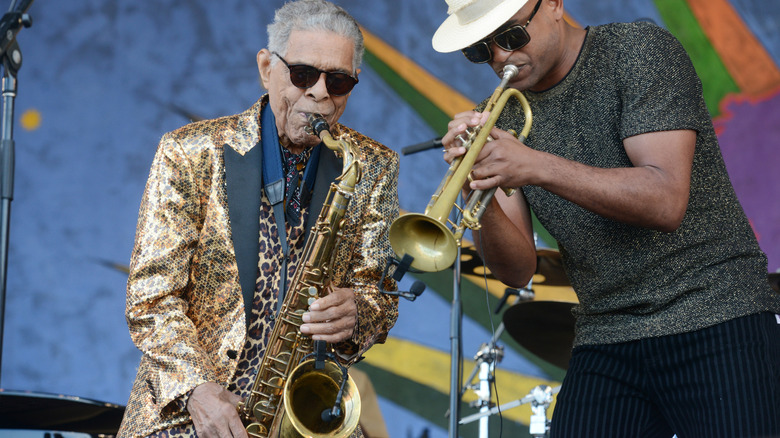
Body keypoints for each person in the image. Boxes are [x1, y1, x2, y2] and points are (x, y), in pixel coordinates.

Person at [434, 0, 780, 436]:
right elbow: (517, 271)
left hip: (716, 309)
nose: (501, 56)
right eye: (480, 50)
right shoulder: (499, 114)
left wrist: (535, 165)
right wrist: (472, 183)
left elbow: (664, 200)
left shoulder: (637, 51)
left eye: (511, 35)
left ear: (555, 4)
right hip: (605, 330)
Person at [117, 1, 400, 437]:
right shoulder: (189, 152)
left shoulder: (371, 166)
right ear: (267, 68)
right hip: (189, 410)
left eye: (338, 81)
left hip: (303, 411)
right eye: (303, 74)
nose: (320, 93)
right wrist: (197, 389)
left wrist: (360, 310)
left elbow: (382, 296)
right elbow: (151, 299)